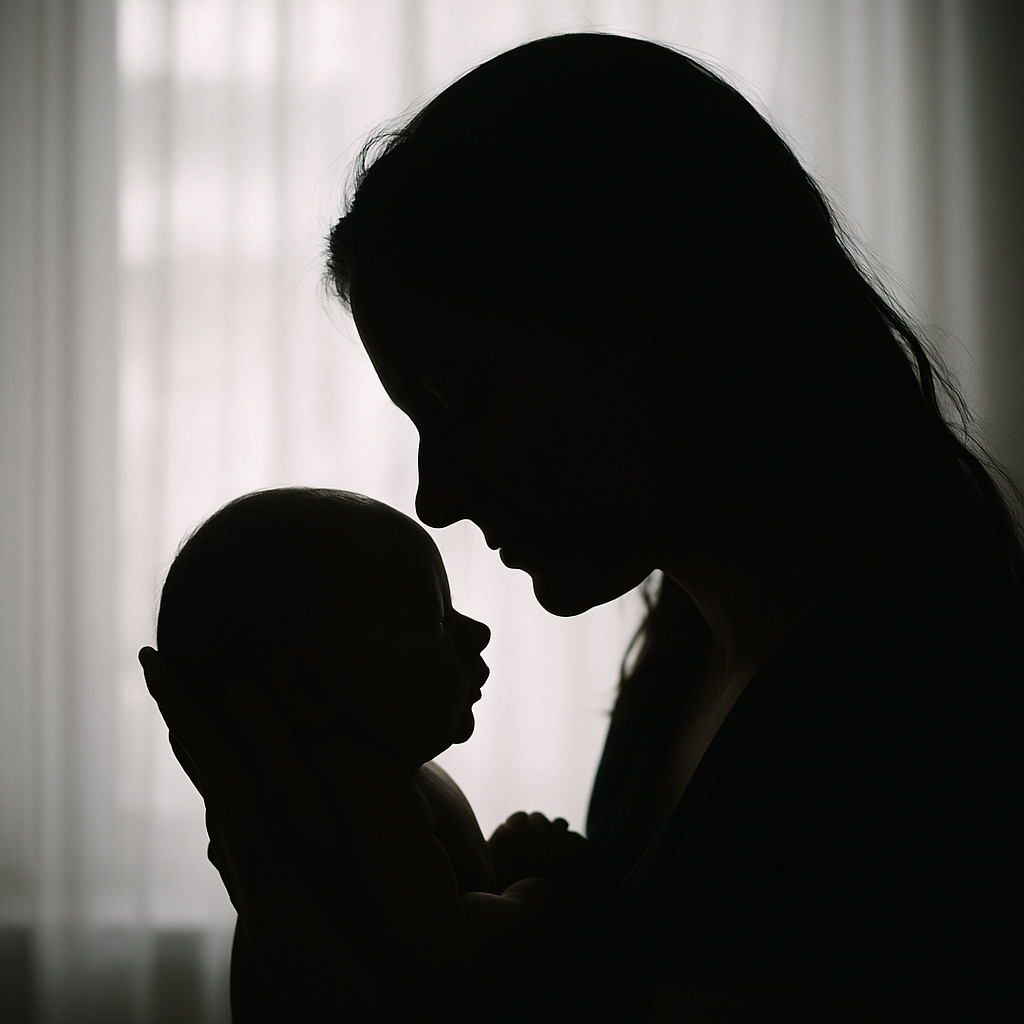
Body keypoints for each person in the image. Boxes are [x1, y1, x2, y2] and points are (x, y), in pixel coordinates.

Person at [143, 31, 1021, 1022]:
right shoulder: (684, 651)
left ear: (659, 323)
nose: (434, 497)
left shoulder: (899, 707)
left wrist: (297, 926)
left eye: (461, 401)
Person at [153, 487, 586, 1021]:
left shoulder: (381, 777)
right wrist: (536, 896)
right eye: (435, 618)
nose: (478, 631)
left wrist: (496, 867)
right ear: (310, 688)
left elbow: (396, 918)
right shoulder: (360, 785)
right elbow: (442, 952)